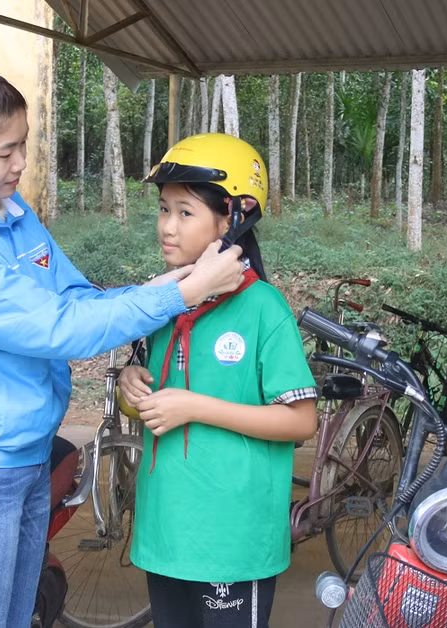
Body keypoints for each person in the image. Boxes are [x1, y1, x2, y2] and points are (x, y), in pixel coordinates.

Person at [0, 65, 245, 628]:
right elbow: (61, 329)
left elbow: (74, 295)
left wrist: (163, 286)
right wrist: (187, 292)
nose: (21, 164)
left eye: (23, 145)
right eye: (5, 153)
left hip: (26, 453)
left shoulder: (12, 212)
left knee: (16, 616)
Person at [118, 133, 319, 628]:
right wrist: (130, 384)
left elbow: (300, 421)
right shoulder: (165, 302)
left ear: (233, 217)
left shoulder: (263, 308)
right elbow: (151, 396)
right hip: (166, 532)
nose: (167, 227)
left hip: (233, 538)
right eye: (163, 210)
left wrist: (194, 406)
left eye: (185, 213)